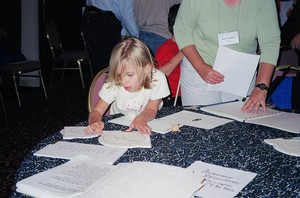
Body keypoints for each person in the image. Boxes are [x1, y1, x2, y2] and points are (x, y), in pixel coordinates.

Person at [174, 0, 281, 113]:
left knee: (239, 126)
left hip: (242, 74)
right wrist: (200, 66)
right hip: (200, 69)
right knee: (201, 121)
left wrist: (261, 87)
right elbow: (182, 31)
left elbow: (270, 42)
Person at [85, 37, 170, 135]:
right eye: (118, 74)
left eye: (129, 75)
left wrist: (141, 118)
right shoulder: (114, 82)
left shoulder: (157, 78)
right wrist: (95, 122)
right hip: (119, 127)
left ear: (147, 68)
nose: (123, 81)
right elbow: (96, 111)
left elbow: (151, 109)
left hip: (149, 121)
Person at [81, 0, 139, 74]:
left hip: (89, 16)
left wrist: (123, 32)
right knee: (112, 64)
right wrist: (137, 35)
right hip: (105, 20)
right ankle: (109, 84)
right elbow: (126, 15)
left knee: (98, 64)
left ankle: (100, 84)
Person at [155, 4, 183, 106]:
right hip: (171, 99)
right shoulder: (167, 48)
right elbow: (159, 75)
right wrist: (182, 53)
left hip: (183, 96)